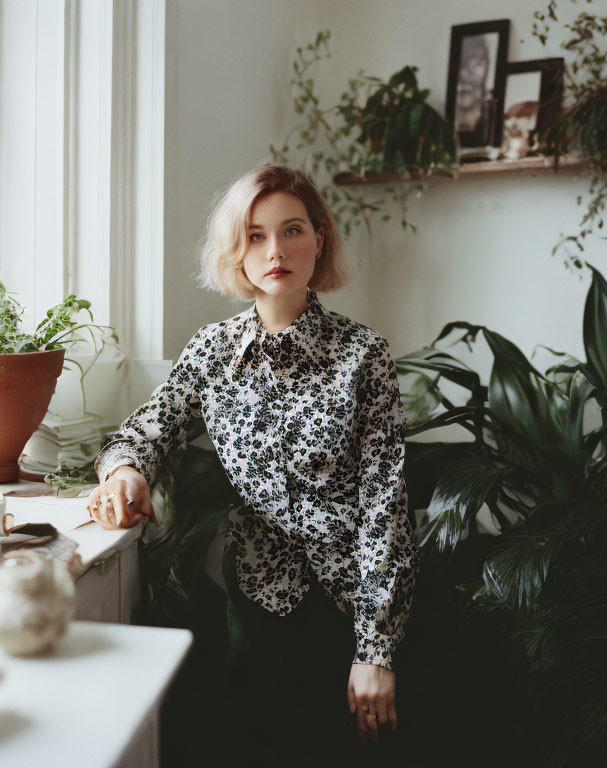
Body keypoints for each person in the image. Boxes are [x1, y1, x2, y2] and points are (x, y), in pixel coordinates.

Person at [87, 164, 420, 765]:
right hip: (258, 606)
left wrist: (375, 651)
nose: (276, 251)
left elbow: (384, 505)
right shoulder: (213, 353)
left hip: (354, 607)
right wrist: (126, 470)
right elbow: (147, 427)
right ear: (236, 253)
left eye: (292, 230)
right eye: (255, 235)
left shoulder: (363, 355)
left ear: (320, 239)